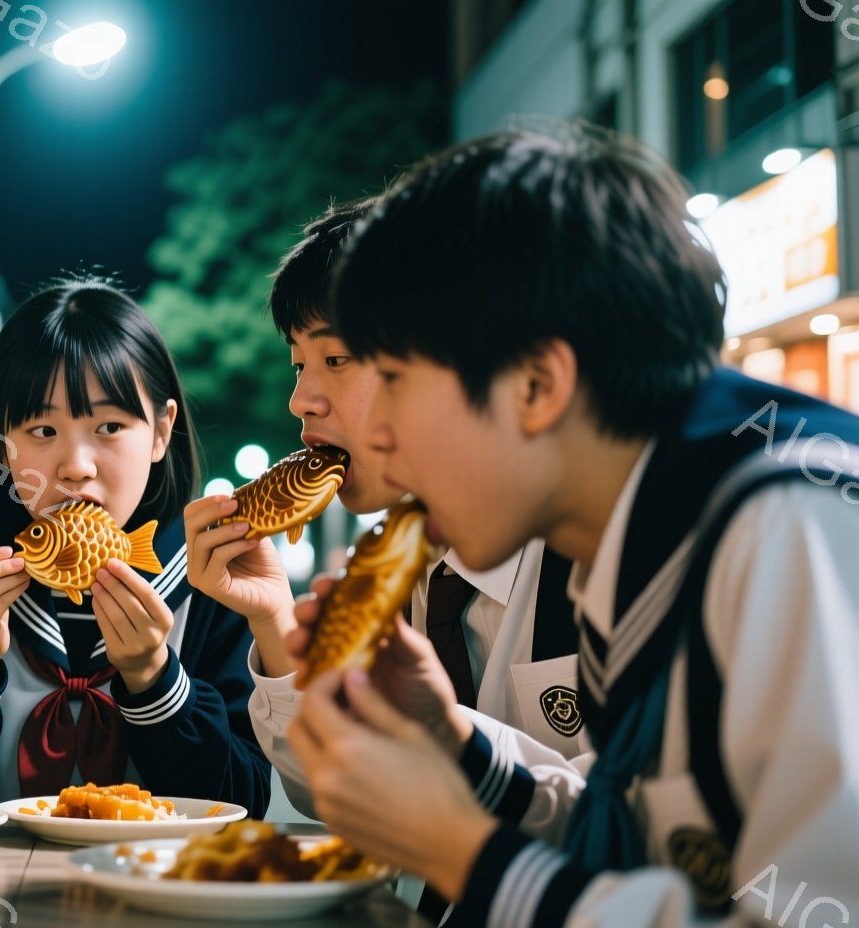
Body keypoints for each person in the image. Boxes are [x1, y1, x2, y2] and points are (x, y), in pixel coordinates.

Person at [288, 125, 859, 925]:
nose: (378, 435)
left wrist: (463, 850)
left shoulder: (795, 526)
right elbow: (659, 835)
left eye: (397, 378)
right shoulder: (630, 536)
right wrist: (454, 741)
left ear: (536, 383)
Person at [183, 198, 584, 833]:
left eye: (335, 359)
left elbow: (646, 828)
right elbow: (338, 798)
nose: (299, 401)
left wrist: (446, 737)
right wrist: (273, 619)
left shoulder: (598, 555)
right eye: (298, 364)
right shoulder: (398, 564)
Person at [0, 280, 270, 810]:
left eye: (109, 426)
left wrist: (154, 675)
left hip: (162, 886)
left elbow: (244, 798)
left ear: (161, 431)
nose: (76, 468)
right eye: (42, 430)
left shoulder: (213, 563)